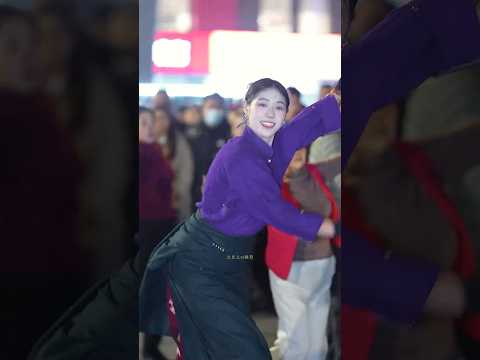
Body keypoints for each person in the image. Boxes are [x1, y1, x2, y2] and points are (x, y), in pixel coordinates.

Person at [139, 78, 341, 359]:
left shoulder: (274, 142)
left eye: (279, 107)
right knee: (247, 351)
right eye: (263, 104)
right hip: (199, 263)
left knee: (208, 350)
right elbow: (274, 210)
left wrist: (335, 102)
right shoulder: (240, 155)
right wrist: (330, 226)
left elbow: (303, 126)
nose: (271, 113)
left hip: (231, 262)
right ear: (246, 109)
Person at [267, 148, 340, 360]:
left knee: (311, 340)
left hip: (316, 263)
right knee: (301, 339)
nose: (296, 153)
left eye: (300, 147)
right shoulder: (272, 178)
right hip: (293, 264)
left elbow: (323, 209)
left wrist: (298, 173)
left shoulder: (312, 173)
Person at [153, 107, 194, 221]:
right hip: (152, 199)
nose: (160, 122)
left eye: (163, 118)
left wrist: (177, 191)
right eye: (156, 118)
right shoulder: (145, 141)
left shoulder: (178, 140)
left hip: (176, 197)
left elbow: (186, 169)